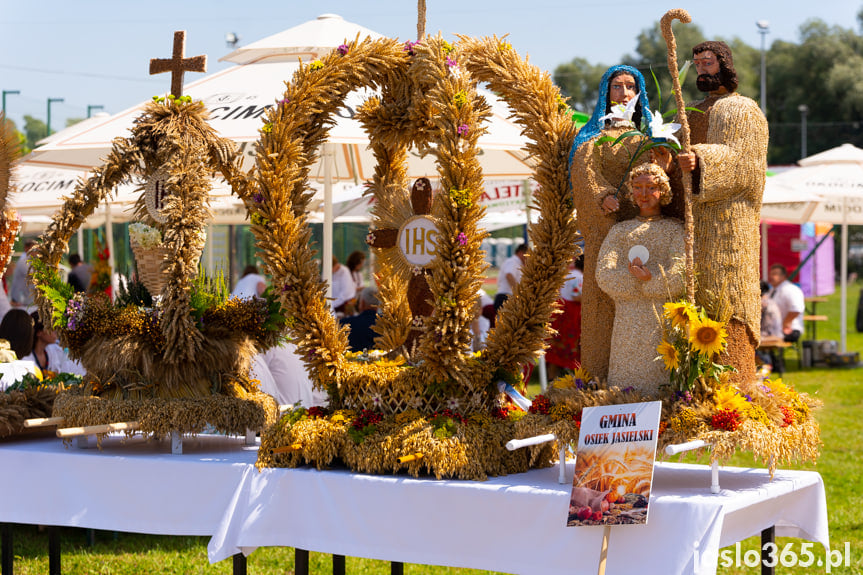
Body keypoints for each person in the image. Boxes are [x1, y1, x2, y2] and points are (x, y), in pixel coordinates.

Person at [670, 41, 769, 384]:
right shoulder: (689, 112)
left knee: (726, 299)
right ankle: (687, 387)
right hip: (687, 229)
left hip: (727, 228)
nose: (702, 69)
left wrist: (699, 159)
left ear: (724, 65)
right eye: (697, 64)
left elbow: (745, 166)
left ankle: (734, 384)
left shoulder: (743, 110)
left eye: (708, 62)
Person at [569, 65, 656, 382]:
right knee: (601, 304)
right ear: (606, 94)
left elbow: (656, 177)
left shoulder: (646, 140)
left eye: (630, 86)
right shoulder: (594, 138)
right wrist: (601, 194)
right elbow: (583, 173)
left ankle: (641, 376)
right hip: (605, 233)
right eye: (616, 87)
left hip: (639, 231)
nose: (623, 93)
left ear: (638, 94)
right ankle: (595, 376)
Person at [596, 163, 685, 395]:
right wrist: (637, 281)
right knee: (626, 381)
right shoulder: (620, 231)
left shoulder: (676, 230)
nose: (644, 194)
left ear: (663, 190)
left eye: (651, 187)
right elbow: (604, 275)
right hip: (627, 320)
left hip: (662, 319)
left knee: (660, 379)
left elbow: (681, 274)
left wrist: (651, 280)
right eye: (637, 187)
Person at [545, 255, 584, 380]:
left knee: (556, 349)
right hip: (571, 315)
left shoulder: (568, 274)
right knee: (571, 347)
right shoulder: (579, 277)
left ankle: (552, 377)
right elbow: (576, 296)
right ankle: (573, 378)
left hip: (560, 313)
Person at [23, 311, 86, 376]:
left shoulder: (55, 351)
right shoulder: (26, 359)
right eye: (51, 328)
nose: (55, 331)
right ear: (39, 332)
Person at [340, 286, 379, 352]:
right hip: (383, 361)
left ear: (362, 303)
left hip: (351, 361)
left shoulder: (345, 324)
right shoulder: (386, 324)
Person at [494, 243, 527, 312]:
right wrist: (518, 294)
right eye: (527, 255)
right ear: (521, 252)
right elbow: (509, 275)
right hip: (505, 297)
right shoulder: (513, 262)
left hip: (507, 297)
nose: (528, 258)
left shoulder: (516, 263)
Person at [9, 239, 36, 308]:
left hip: (25, 299)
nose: (35, 252)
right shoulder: (23, 261)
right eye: (33, 249)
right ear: (26, 248)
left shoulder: (32, 261)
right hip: (20, 299)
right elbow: (34, 276)